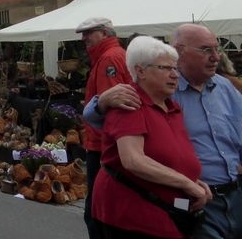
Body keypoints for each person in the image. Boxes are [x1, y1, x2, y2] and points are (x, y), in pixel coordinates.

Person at [87, 23, 242, 239]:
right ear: (180, 51)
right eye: (206, 50)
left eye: (217, 49)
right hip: (177, 202)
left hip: (230, 194)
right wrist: (101, 102)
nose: (216, 57)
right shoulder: (136, 99)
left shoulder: (191, 99)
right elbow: (132, 158)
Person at [75, 16, 133, 239]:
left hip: (103, 146)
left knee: (96, 213)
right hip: (107, 144)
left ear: (105, 33)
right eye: (83, 33)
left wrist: (107, 147)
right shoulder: (111, 56)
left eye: (89, 32)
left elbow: (112, 107)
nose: (84, 38)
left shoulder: (109, 59)